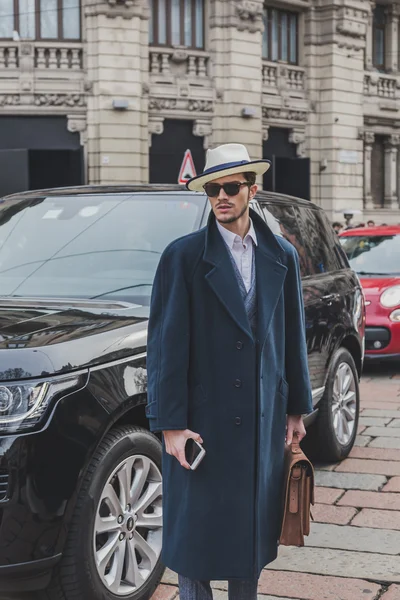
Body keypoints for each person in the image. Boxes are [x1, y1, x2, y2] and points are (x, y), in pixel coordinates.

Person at [146, 143, 313, 600]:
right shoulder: (181, 257)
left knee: (250, 543)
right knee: (194, 546)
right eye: (212, 188)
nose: (221, 196)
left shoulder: (281, 254)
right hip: (202, 424)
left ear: (251, 190)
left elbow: (290, 335)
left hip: (261, 420)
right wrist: (171, 426)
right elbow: (164, 348)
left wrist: (296, 409)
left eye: (231, 187)